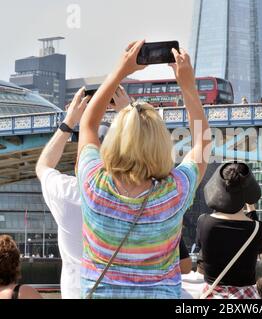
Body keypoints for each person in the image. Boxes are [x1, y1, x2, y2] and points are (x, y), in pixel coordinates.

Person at [76, 40, 211, 299]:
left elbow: (89, 125)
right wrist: (187, 86)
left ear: (114, 139)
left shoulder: (94, 184)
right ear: (161, 144)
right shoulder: (174, 192)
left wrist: (120, 71)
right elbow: (202, 144)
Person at [35, 86, 131, 299]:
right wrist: (128, 113)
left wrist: (69, 121)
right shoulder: (139, 195)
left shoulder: (67, 193)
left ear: (80, 160)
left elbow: (43, 166)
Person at [196, 162, 262, 299]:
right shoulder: (260, 229)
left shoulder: (204, 223)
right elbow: (257, 240)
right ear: (247, 193)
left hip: (213, 294)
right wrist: (251, 208)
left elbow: (202, 248)